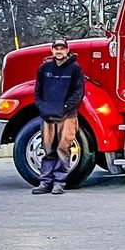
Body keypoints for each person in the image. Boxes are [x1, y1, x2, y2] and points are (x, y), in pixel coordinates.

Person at [32, 37, 85, 195]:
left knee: (63, 148)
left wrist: (65, 108)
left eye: (62, 48)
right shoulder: (44, 68)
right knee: (48, 149)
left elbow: (78, 93)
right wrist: (43, 109)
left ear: (67, 50)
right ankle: (45, 182)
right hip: (47, 117)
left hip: (67, 116)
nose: (59, 51)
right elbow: (37, 93)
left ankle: (59, 183)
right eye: (57, 48)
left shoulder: (75, 69)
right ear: (52, 50)